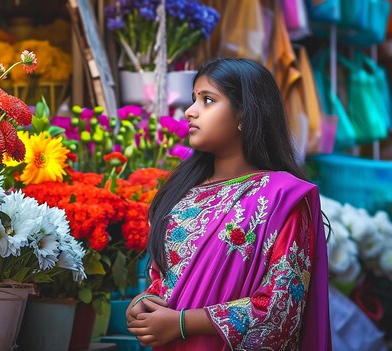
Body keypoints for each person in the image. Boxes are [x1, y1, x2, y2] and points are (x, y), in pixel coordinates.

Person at [126, 58, 331, 350]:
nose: (190, 111)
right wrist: (144, 302)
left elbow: (280, 309)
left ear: (244, 115)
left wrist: (183, 322)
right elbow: (164, 279)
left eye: (208, 100)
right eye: (193, 99)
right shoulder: (182, 195)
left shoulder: (282, 198)